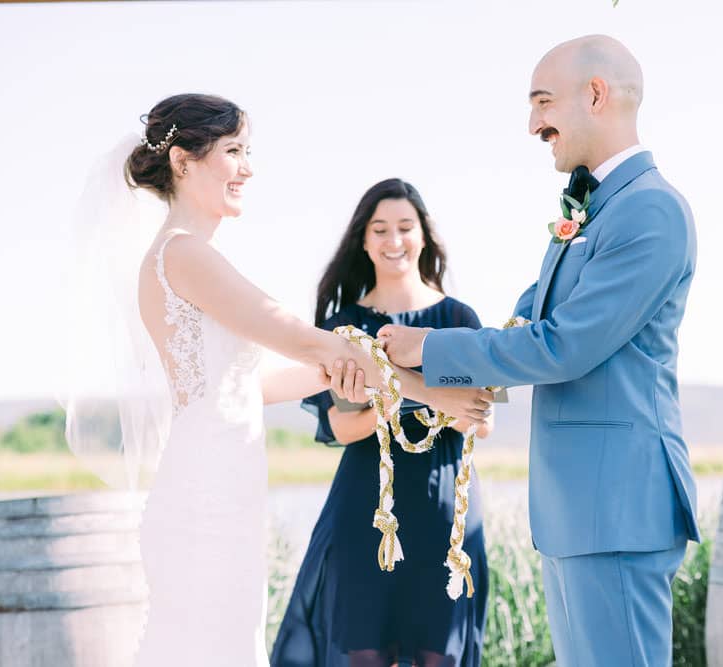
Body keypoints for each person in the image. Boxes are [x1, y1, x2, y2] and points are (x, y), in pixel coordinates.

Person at [112, 94, 491, 667]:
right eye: (234, 151)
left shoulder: (190, 255)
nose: (248, 167)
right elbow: (307, 339)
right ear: (184, 161)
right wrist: (431, 392)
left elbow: (263, 380)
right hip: (205, 489)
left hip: (223, 479)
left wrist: (352, 371)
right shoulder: (185, 254)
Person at [379, 36, 700, 667]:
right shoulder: (595, 207)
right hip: (577, 510)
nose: (534, 124)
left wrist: (430, 346)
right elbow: (526, 321)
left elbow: (564, 347)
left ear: (597, 95)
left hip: (618, 509)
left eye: (543, 103)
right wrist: (436, 384)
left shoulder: (650, 210)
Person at [270, 178, 490, 667]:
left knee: (442, 652)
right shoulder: (342, 324)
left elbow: (482, 423)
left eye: (405, 228)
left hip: (443, 506)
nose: (394, 241)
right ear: (363, 240)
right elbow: (341, 428)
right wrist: (399, 405)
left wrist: (450, 408)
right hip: (365, 510)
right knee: (361, 651)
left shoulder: (459, 317)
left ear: (425, 235)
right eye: (381, 229)